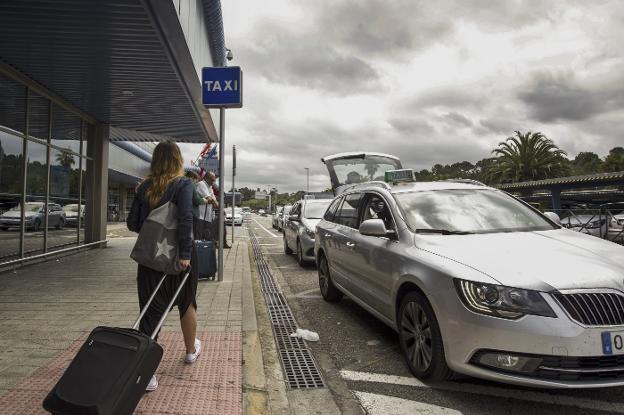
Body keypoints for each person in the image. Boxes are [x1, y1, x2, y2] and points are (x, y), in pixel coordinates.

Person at [127, 141, 201, 392]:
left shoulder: (143, 187)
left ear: (155, 161)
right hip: (181, 256)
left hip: (150, 256)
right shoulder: (184, 185)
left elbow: (133, 224)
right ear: (178, 160)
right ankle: (190, 351)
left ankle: (147, 374)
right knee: (187, 301)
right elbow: (186, 219)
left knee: (151, 310)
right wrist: (184, 254)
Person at [206, 171, 231, 249]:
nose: (214, 181)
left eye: (215, 179)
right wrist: (216, 201)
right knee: (214, 229)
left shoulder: (213, 186)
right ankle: (216, 242)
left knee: (222, 228)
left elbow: (216, 197)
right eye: (212, 179)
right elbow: (212, 198)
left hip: (216, 210)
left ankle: (223, 242)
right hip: (212, 211)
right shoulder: (207, 186)